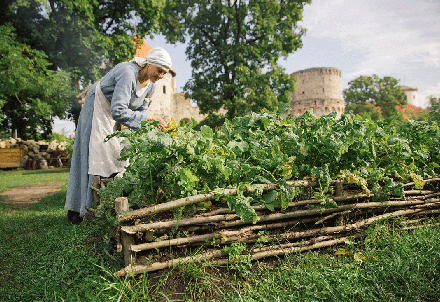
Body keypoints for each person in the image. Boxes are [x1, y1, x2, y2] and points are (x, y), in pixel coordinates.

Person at [65, 47, 172, 224]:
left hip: (116, 113)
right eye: (159, 70)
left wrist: (143, 126)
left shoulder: (151, 86)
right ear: (149, 64)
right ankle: (78, 208)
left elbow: (141, 110)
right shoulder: (128, 72)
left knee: (119, 155)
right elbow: (119, 110)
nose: (161, 75)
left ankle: (107, 205)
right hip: (98, 106)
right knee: (92, 154)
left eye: (164, 73)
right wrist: (148, 118)